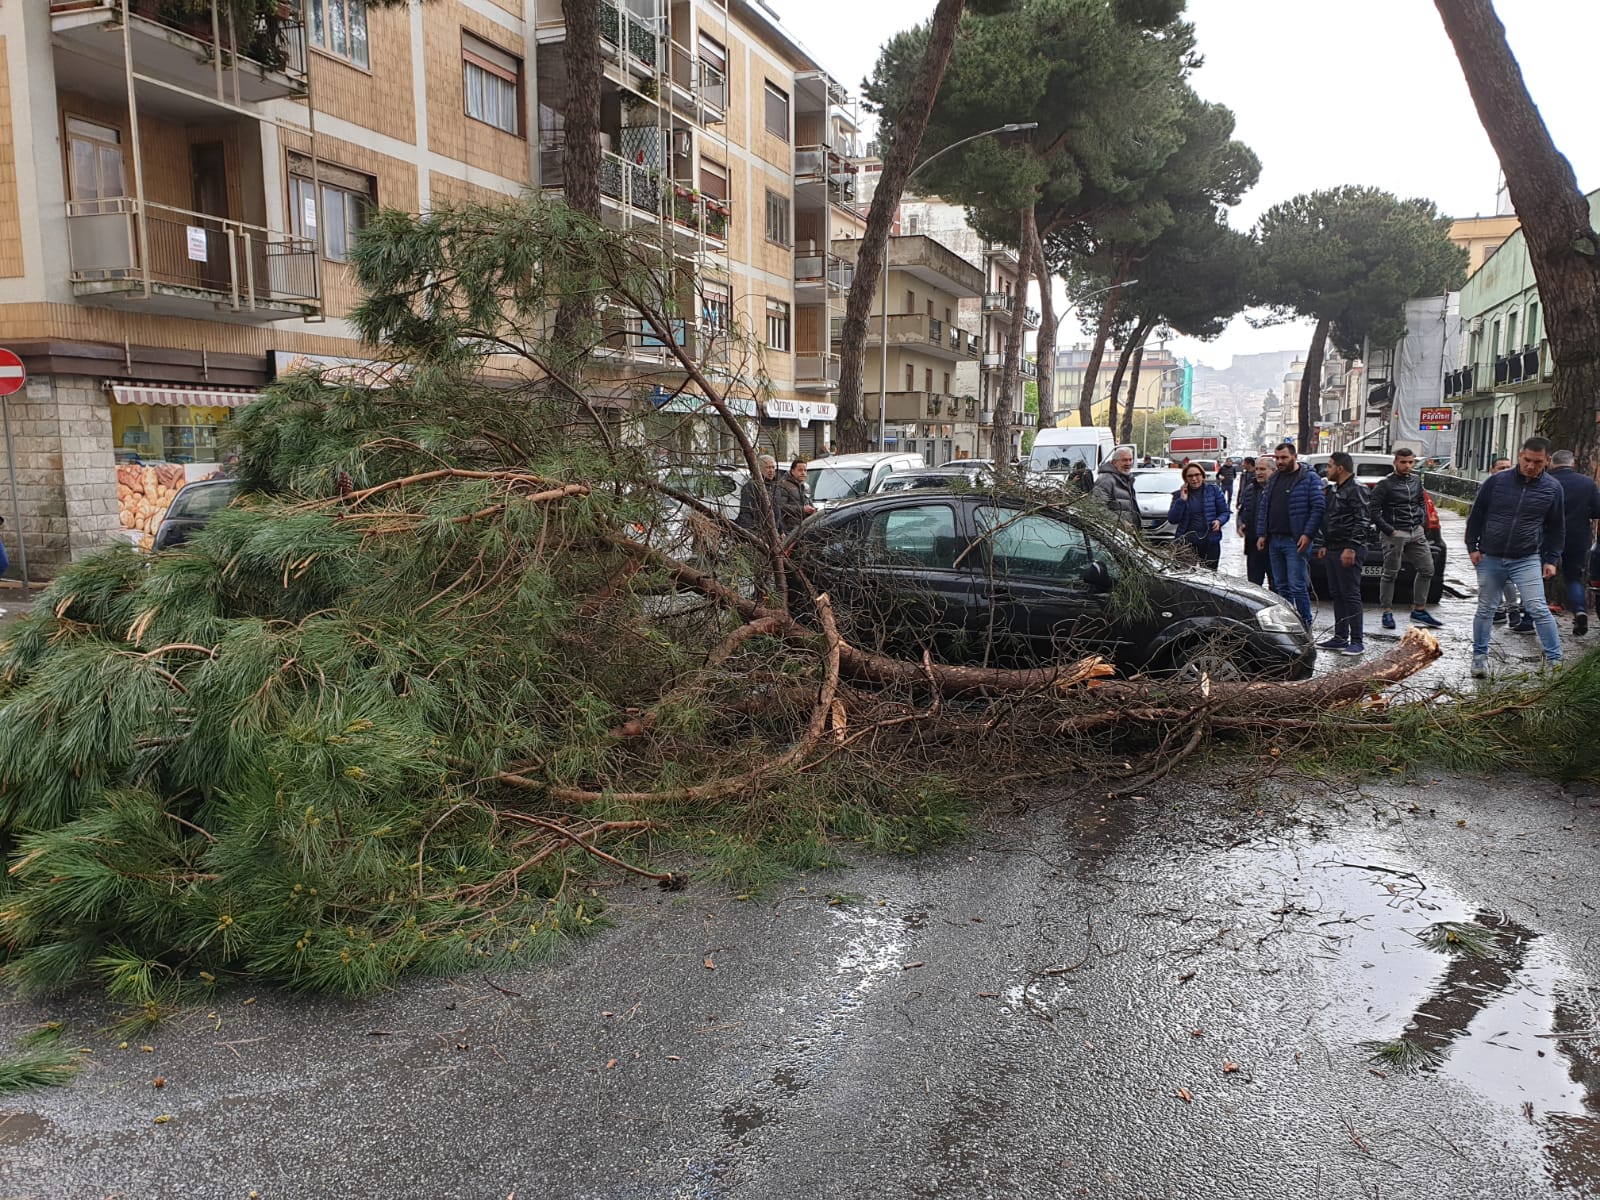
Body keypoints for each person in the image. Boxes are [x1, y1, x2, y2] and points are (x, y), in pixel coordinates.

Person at [1465, 436, 1566, 677]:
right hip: (1491, 556)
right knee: (1486, 608)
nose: (1531, 466)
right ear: (1520, 456)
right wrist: (1472, 546)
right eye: (1527, 460)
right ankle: (1479, 658)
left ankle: (1555, 661)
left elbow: (1556, 527)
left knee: (1538, 608)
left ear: (1547, 461)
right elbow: (1477, 513)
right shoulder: (1497, 482)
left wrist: (1551, 559)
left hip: (1526, 558)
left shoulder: (1552, 489)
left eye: (1537, 462)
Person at [1254, 441, 1324, 629]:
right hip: (1274, 540)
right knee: (1281, 586)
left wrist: (1308, 534)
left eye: (1284, 457)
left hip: (1295, 541)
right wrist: (1262, 534)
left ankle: (1305, 625)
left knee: (1297, 585)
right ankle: (1288, 625)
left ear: (1294, 456)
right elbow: (1265, 507)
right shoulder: (1275, 478)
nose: (1280, 461)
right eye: (1277, 458)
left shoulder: (1309, 478)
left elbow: (1318, 508)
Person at [1369, 448, 1442, 631]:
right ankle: (1387, 611)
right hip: (1395, 533)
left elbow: (1420, 502)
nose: (1407, 466)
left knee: (1427, 569)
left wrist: (1421, 523)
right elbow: (1373, 510)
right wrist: (1389, 530)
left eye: (1410, 462)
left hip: (1415, 532)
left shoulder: (1416, 481)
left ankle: (1419, 609)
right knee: (1390, 573)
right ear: (1395, 462)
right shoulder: (1385, 484)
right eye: (1403, 462)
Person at [1315, 452, 1374, 655]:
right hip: (1333, 548)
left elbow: (1363, 520)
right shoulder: (1335, 489)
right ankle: (1340, 637)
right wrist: (1324, 543)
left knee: (1351, 594)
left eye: (1330, 466)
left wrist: (1351, 547)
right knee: (1337, 593)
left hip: (1349, 549)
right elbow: (1331, 519)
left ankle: (1357, 640)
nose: (1327, 470)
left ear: (1340, 468)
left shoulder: (1357, 489)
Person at [1546, 449, 1600, 637]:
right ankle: (1579, 611)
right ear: (1573, 463)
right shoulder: (1587, 483)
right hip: (1577, 537)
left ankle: (1530, 616)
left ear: (1551, 463)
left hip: (1547, 536)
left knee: (1537, 575)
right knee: (1573, 577)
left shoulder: (1545, 480)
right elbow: (1597, 511)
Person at [1167, 462, 1229, 569]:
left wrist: (1219, 521)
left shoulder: (1213, 490)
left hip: (1210, 542)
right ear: (1185, 479)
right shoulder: (1179, 494)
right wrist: (1182, 500)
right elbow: (1173, 519)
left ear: (1203, 476)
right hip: (1186, 544)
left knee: (1209, 578)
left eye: (1197, 475)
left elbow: (1225, 512)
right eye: (1190, 476)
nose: (1194, 479)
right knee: (1186, 577)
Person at [1486, 456, 1523, 626]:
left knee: (1506, 577)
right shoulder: (1488, 488)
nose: (1506, 470)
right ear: (1492, 470)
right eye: (1501, 468)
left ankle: (1512, 610)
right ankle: (1499, 609)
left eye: (1508, 467)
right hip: (1490, 539)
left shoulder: (1519, 488)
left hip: (1512, 540)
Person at [1235, 458, 1274, 589]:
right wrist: (1240, 524)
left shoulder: (1278, 489)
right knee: (1253, 586)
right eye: (1257, 469)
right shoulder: (1250, 489)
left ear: (1273, 471)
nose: (1258, 472)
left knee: (1276, 585)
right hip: (1252, 544)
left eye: (1263, 469)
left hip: (1273, 545)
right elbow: (1242, 511)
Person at [1090, 447, 1139, 525]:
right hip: (1112, 532)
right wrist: (1121, 523)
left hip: (1124, 534)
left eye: (1130, 459)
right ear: (1114, 462)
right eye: (1124, 460)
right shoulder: (1105, 480)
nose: (1128, 463)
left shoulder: (1127, 479)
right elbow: (1097, 507)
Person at [736, 455, 778, 532]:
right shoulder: (751, 486)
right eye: (768, 467)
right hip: (759, 531)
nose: (771, 470)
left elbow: (778, 512)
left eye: (773, 467)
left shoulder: (776, 487)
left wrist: (781, 531)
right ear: (760, 469)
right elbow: (746, 513)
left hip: (774, 532)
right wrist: (754, 533)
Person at [776, 458, 816, 534]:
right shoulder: (784, 485)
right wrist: (802, 509)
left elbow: (809, 503)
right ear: (792, 471)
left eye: (805, 470)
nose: (803, 473)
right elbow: (781, 507)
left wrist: (813, 510)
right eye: (800, 470)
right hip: (789, 529)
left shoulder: (805, 487)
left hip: (803, 527)